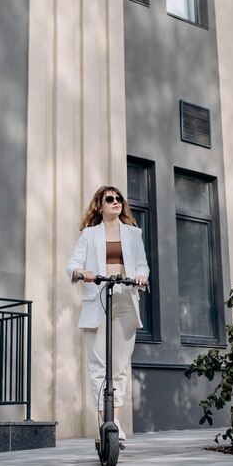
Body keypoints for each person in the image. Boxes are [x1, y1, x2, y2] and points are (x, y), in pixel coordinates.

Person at [66, 185, 149, 441]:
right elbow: (72, 264)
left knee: (121, 366)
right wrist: (82, 273)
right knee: (98, 366)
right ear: (99, 206)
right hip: (99, 297)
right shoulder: (89, 235)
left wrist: (140, 277)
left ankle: (116, 421)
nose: (116, 202)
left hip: (125, 297)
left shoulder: (134, 234)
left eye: (119, 199)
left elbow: (142, 265)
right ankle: (105, 421)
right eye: (109, 199)